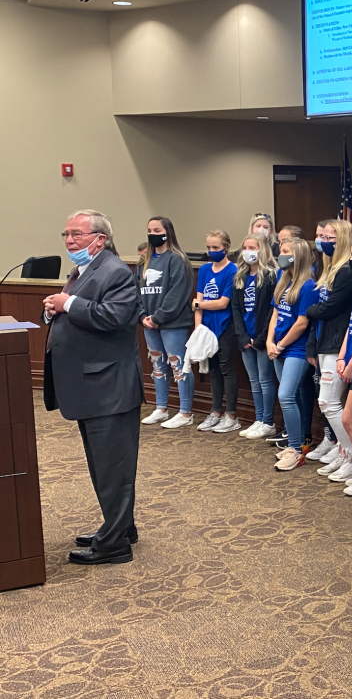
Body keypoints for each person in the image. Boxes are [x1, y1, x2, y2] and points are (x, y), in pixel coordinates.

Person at [43, 209, 143, 565]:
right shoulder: (83, 270)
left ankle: (114, 544)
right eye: (66, 234)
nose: (70, 241)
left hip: (109, 388)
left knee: (112, 469)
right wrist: (55, 309)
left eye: (77, 235)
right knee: (105, 466)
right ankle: (120, 527)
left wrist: (67, 302)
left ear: (100, 239)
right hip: (91, 388)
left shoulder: (115, 271)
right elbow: (78, 312)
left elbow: (115, 317)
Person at [307, 219, 352, 486]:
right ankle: (344, 451)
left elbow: (328, 309)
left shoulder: (346, 272)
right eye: (322, 237)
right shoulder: (328, 269)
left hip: (338, 343)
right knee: (328, 403)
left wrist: (308, 311)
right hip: (324, 342)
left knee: (329, 403)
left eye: (330, 238)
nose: (323, 242)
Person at [317, 236, 352, 480]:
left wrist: (351, 363)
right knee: (351, 418)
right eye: (350, 256)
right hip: (349, 357)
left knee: (349, 417)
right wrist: (342, 357)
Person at [137, 217, 195, 429]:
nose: (152, 233)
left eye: (157, 230)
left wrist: (158, 317)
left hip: (173, 323)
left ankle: (185, 411)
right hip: (148, 323)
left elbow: (178, 293)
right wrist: (143, 316)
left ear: (167, 232)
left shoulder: (177, 259)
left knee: (178, 365)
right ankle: (161, 408)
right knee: (157, 366)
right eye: (149, 230)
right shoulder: (145, 261)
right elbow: (136, 292)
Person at [269, 238, 321, 470]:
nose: (281, 255)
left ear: (297, 255)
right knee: (293, 396)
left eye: (286, 251)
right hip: (278, 346)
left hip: (296, 349)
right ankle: (298, 445)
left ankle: (295, 447)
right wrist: (271, 341)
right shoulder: (284, 279)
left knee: (286, 396)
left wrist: (280, 345)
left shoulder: (308, 285)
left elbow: (302, 323)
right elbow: (275, 313)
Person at [232, 234, 279, 439]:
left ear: (263, 250)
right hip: (246, 338)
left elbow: (272, 311)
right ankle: (258, 418)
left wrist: (260, 338)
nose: (248, 251)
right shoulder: (240, 276)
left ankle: (268, 421)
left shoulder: (270, 276)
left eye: (253, 247)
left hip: (262, 338)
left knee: (265, 379)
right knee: (254, 380)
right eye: (245, 247)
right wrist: (242, 336)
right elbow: (235, 309)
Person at [194, 230, 240, 434]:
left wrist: (200, 304)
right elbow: (198, 303)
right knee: (213, 370)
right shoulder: (204, 270)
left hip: (225, 326)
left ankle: (231, 415)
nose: (212, 251)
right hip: (206, 327)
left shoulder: (232, 270)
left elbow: (223, 303)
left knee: (226, 369)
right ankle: (215, 412)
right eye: (209, 248)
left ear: (226, 248)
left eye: (216, 248)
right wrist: (198, 328)